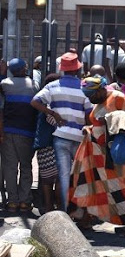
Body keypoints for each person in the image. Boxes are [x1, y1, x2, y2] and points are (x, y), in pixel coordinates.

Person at [68, 75, 125, 235]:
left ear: (101, 89)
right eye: (88, 96)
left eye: (92, 95)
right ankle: (85, 219)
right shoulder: (99, 102)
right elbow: (97, 123)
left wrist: (114, 118)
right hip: (93, 153)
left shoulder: (117, 97)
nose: (91, 99)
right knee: (88, 184)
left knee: (115, 188)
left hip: (110, 153)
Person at [31, 52, 92, 210]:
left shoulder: (52, 86)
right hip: (79, 137)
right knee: (77, 175)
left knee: (63, 176)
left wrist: (53, 113)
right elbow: (89, 114)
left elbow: (35, 102)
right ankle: (78, 211)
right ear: (77, 70)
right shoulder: (83, 87)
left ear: (63, 69)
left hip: (60, 136)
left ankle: (64, 212)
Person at [0, 58, 39, 213]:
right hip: (27, 132)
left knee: (10, 167)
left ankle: (12, 202)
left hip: (8, 131)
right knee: (25, 166)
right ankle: (25, 201)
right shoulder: (33, 85)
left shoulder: (5, 84)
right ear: (24, 69)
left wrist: (2, 73)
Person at [35, 74, 62, 213]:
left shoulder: (42, 101)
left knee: (46, 180)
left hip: (43, 145)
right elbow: (55, 123)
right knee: (58, 179)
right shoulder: (52, 103)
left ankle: (48, 207)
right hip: (54, 146)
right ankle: (58, 207)